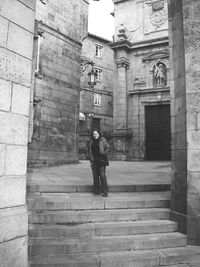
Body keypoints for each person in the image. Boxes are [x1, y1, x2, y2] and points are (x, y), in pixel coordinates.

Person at [88, 129, 109, 197]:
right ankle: (96, 191)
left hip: (102, 160)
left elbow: (108, 148)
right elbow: (89, 151)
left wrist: (104, 153)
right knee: (95, 176)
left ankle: (105, 191)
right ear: (92, 135)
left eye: (96, 134)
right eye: (94, 134)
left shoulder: (103, 140)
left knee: (102, 175)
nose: (95, 135)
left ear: (99, 134)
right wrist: (90, 160)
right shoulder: (91, 141)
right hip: (94, 161)